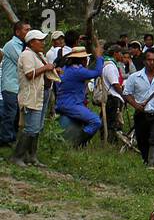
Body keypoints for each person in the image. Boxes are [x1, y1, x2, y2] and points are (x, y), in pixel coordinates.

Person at [12, 30, 57, 166]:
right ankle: (17, 156)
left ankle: (31, 156)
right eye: (40, 40)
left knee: (36, 128)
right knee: (30, 128)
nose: (43, 43)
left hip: (38, 95)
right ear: (32, 42)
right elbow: (29, 74)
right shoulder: (27, 55)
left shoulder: (37, 55)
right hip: (30, 96)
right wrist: (45, 68)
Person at [54, 44, 105, 147]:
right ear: (82, 60)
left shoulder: (67, 68)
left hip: (66, 102)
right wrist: (99, 57)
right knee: (95, 121)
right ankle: (77, 144)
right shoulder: (77, 71)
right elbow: (97, 72)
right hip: (71, 104)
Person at [1, 20, 30, 147]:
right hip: (10, 85)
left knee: (17, 114)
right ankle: (6, 140)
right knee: (10, 114)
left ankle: (11, 138)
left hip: (19, 86)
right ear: (18, 32)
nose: (29, 32)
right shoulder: (12, 45)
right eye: (26, 30)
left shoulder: (24, 46)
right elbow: (24, 63)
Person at [101, 45, 128, 144]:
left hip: (112, 97)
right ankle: (110, 141)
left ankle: (109, 140)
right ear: (115, 53)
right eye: (120, 53)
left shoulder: (110, 64)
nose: (122, 55)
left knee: (110, 121)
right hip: (113, 97)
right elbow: (115, 84)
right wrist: (124, 95)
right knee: (112, 122)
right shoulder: (110, 66)